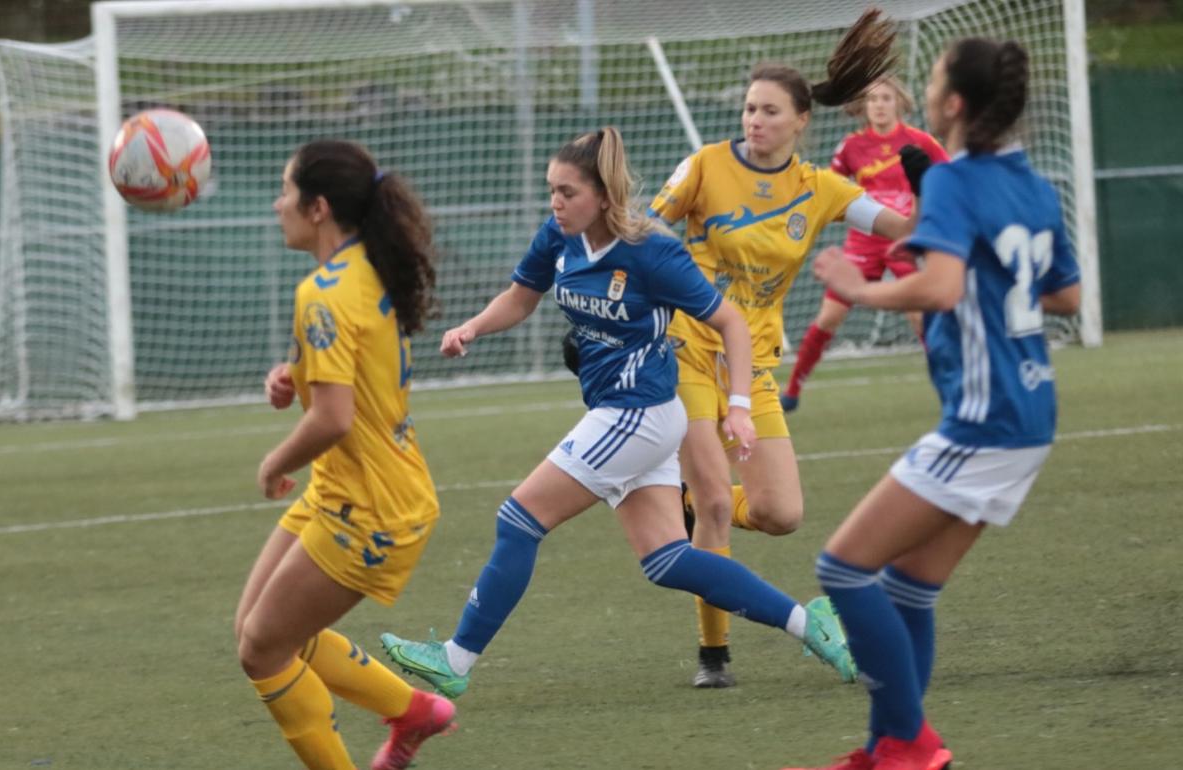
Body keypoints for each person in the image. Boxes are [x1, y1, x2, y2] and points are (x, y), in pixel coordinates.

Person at [379, 126, 855, 700]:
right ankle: (812, 623)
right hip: (627, 413)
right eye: (551, 190)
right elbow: (521, 298)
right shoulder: (558, 238)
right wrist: (472, 328)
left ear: (604, 196)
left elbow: (729, 323)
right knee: (666, 560)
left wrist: (737, 407)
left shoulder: (650, 251)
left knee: (519, 519)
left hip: (640, 412)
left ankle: (455, 659)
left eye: (567, 192)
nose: (555, 203)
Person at [787, 37, 1082, 770]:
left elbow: (942, 288)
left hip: (985, 419)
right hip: (1030, 413)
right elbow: (1067, 294)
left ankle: (910, 745)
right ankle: (887, 749)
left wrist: (859, 289)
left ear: (952, 104)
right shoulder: (1034, 184)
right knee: (910, 589)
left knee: (842, 569)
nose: (922, 84)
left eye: (934, 76)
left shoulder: (952, 183)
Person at [648, 8, 917, 688]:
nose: (754, 120)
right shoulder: (705, 167)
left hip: (752, 363)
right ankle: (714, 657)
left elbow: (897, 227)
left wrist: (947, 202)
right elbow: (646, 232)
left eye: (769, 111)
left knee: (779, 514)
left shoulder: (820, 189)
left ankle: (682, 500)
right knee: (715, 506)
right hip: (683, 350)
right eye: (747, 109)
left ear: (802, 121)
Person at [234, 139, 454, 770]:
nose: (278, 205)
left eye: (285, 192)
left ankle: (404, 717)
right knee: (256, 630)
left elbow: (333, 418)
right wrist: (295, 374)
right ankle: (415, 712)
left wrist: (276, 462)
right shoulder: (365, 266)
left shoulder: (322, 293)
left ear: (319, 208)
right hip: (348, 490)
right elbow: (352, 372)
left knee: (263, 650)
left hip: (371, 509)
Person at [781, 77, 950, 413]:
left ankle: (950, 389)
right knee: (829, 317)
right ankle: (793, 388)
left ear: (900, 102)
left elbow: (949, 180)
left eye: (886, 97)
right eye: (872, 99)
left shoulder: (921, 143)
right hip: (863, 242)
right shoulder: (850, 147)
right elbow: (830, 189)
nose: (879, 104)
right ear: (863, 106)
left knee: (921, 317)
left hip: (906, 239)